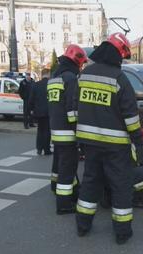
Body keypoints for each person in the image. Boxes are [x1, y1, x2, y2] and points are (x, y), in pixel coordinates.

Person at [75, 33, 143, 244]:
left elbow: (75, 108)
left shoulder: (84, 75)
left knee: (90, 182)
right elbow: (131, 117)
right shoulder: (119, 78)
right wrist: (138, 141)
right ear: (118, 53)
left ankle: (82, 226)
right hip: (116, 146)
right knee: (120, 186)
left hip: (89, 143)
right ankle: (122, 232)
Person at [48, 44, 88, 214]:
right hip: (68, 132)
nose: (82, 67)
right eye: (82, 63)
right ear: (77, 61)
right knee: (68, 168)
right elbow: (72, 111)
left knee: (60, 163)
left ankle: (59, 188)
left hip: (56, 130)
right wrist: (78, 131)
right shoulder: (71, 79)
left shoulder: (54, 78)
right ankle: (64, 204)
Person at [31, 69, 51, 155]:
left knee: (40, 130)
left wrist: (32, 109)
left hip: (38, 111)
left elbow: (31, 99)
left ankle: (39, 148)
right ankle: (46, 149)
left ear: (42, 74)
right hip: (48, 111)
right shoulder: (50, 84)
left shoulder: (36, 85)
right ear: (48, 74)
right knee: (47, 131)